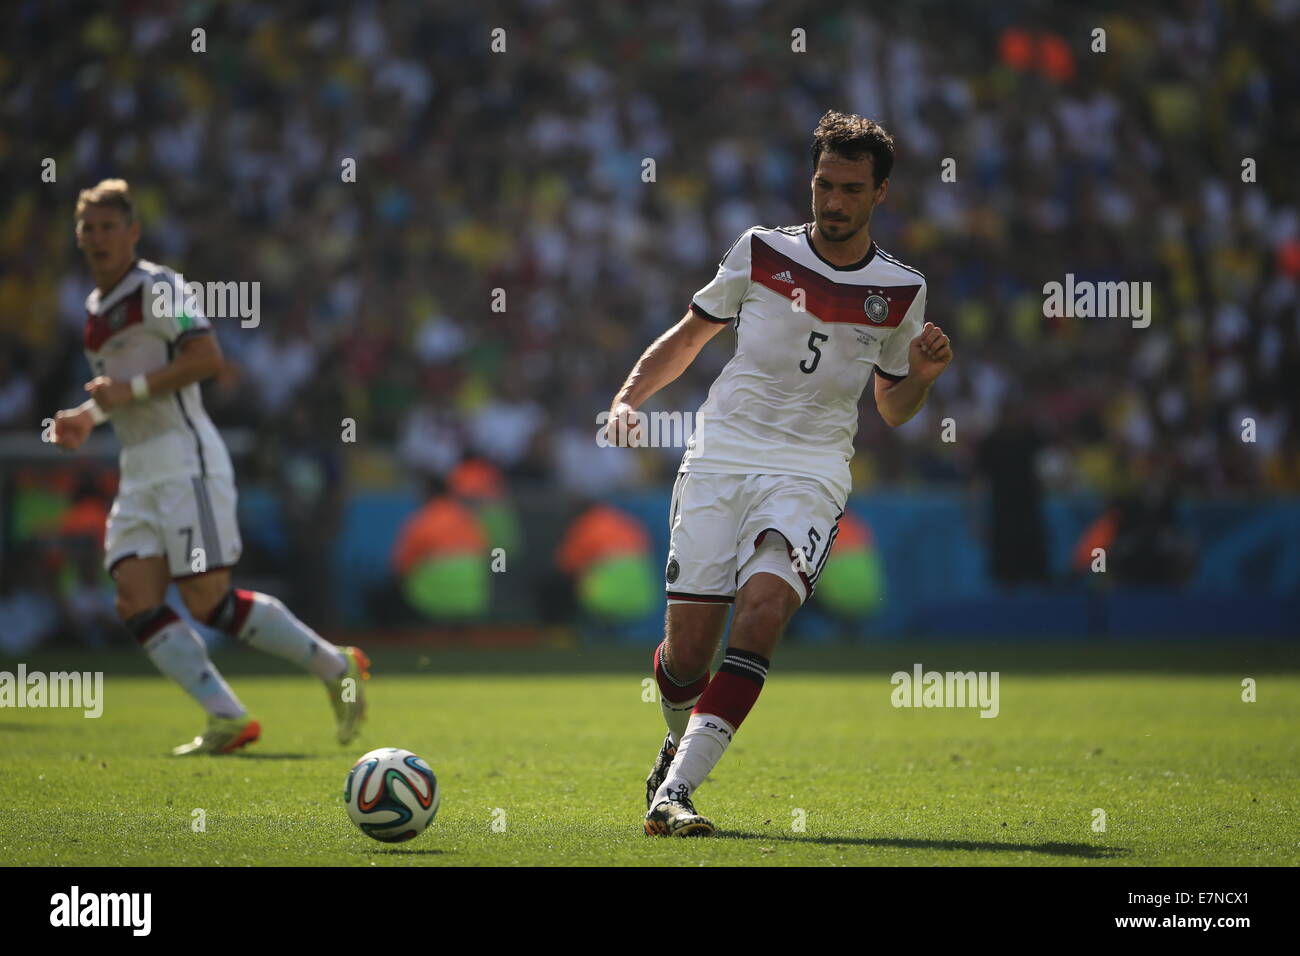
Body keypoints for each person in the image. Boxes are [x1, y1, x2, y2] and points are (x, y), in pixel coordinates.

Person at [606, 111, 954, 836]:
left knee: (762, 614)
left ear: (879, 193)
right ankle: (676, 739)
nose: (833, 201)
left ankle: (675, 794)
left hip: (811, 470)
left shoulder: (901, 288)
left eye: (851, 189)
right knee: (685, 660)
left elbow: (892, 408)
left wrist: (918, 377)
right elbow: (690, 336)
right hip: (722, 455)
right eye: (825, 183)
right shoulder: (760, 250)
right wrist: (628, 397)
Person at [50, 179, 368, 755]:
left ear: (133, 232)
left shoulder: (159, 287)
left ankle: (335, 665)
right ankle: (227, 716)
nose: (97, 237)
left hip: (186, 462)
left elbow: (207, 358)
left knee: (206, 601)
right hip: (139, 468)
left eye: (107, 226)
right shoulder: (95, 310)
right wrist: (85, 416)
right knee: (134, 599)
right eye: (87, 227)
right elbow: (122, 393)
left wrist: (128, 390)